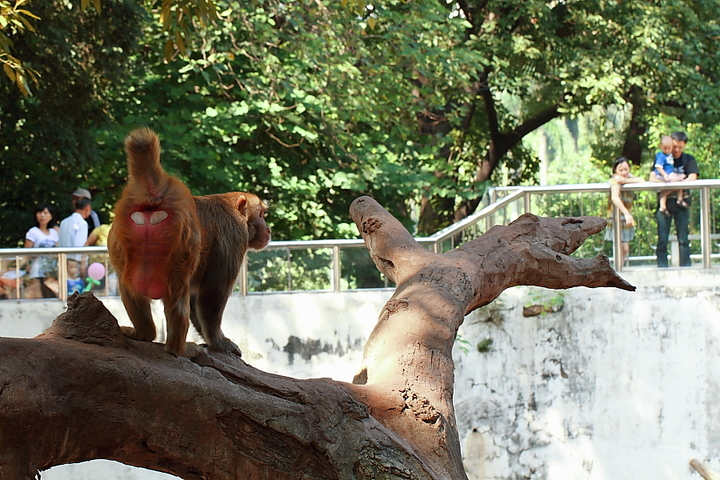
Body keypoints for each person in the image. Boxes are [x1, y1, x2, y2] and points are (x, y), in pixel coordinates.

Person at [649, 131, 699, 267]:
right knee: (662, 239)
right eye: (674, 146)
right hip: (664, 204)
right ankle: (662, 268)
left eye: (680, 147)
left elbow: (692, 177)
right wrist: (674, 184)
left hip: (682, 203)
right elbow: (652, 178)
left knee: (683, 239)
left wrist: (671, 185)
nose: (676, 150)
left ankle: (685, 268)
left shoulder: (688, 159)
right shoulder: (662, 157)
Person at [604, 157, 643, 265]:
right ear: (615, 170)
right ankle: (617, 269)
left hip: (625, 218)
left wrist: (626, 180)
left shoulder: (628, 178)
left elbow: (642, 181)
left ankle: (619, 268)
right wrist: (626, 213)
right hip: (616, 217)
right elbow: (615, 197)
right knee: (620, 247)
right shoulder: (614, 180)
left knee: (625, 248)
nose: (624, 172)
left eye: (626, 169)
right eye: (621, 170)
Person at [24, 203, 60, 298]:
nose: (42, 215)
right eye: (40, 212)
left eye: (45, 213)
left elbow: (57, 251)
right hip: (37, 270)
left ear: (51, 216)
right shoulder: (33, 232)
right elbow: (26, 253)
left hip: (51, 271)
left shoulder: (53, 233)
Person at [653, 135, 687, 215]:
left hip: (669, 174)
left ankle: (678, 199)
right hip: (665, 175)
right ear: (661, 146)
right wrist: (664, 175)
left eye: (669, 148)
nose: (667, 150)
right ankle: (678, 200)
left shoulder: (669, 155)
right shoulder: (661, 156)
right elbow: (658, 167)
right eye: (665, 148)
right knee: (680, 178)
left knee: (678, 184)